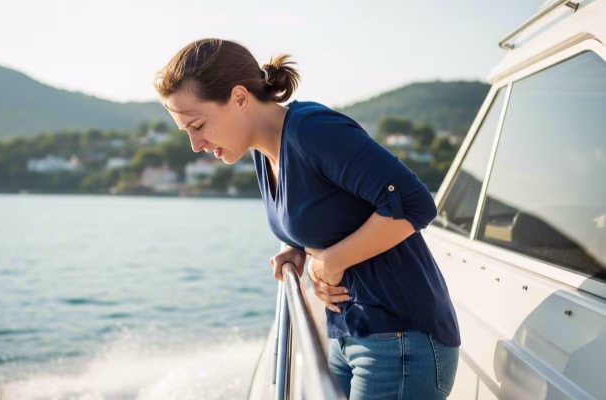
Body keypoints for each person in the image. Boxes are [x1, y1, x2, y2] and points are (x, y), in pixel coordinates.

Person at [154, 38, 460, 400]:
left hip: (400, 338)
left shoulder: (312, 129)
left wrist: (331, 261)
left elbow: (415, 203)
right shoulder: (261, 152)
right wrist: (296, 248)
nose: (195, 144)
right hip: (350, 334)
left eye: (198, 124)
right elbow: (323, 204)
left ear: (239, 98)